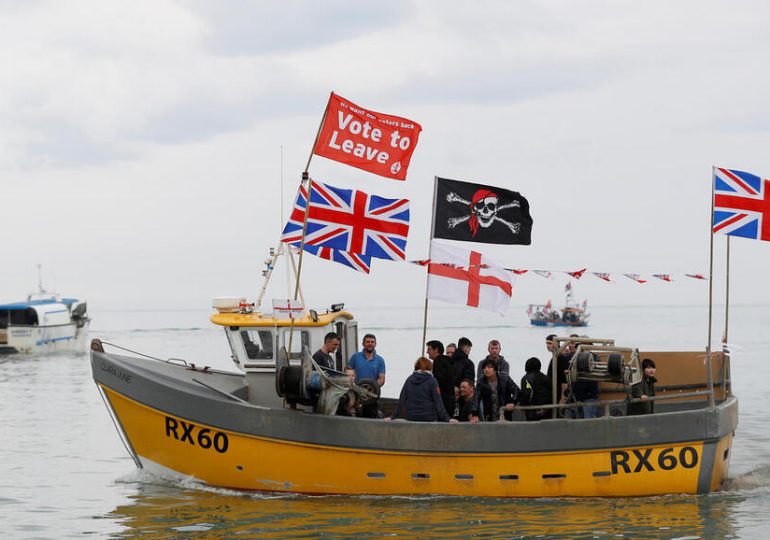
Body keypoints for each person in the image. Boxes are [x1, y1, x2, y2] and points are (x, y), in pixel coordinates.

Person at [385, 357, 459, 423]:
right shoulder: (432, 381)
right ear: (430, 367)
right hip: (429, 418)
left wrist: (392, 417)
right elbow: (438, 402)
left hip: (412, 417)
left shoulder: (409, 379)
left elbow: (401, 400)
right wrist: (448, 419)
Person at [471, 358, 520, 423]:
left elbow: (516, 390)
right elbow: (476, 397)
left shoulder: (505, 378)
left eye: (489, 367)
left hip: (505, 413)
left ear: (495, 370)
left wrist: (513, 402)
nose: (486, 369)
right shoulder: (481, 381)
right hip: (489, 415)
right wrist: (474, 415)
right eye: (484, 368)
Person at [567, 334, 599, 418]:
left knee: (589, 421)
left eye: (587, 344)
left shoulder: (595, 358)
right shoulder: (573, 357)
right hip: (575, 396)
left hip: (589, 396)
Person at [426, 340, 456, 419]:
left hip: (443, 401)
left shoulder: (438, 361)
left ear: (436, 350)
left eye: (429, 349)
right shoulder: (446, 361)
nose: (427, 352)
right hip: (449, 399)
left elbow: (439, 382)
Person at [519, 357, 552, 421]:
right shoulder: (546, 378)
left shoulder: (526, 379)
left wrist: (522, 407)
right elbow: (550, 394)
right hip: (546, 411)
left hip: (532, 412)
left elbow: (526, 395)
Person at [544, 333, 571, 412]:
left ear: (556, 343)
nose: (547, 345)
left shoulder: (560, 358)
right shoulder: (555, 357)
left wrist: (563, 398)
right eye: (546, 343)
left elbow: (564, 380)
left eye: (549, 343)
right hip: (554, 393)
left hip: (558, 394)